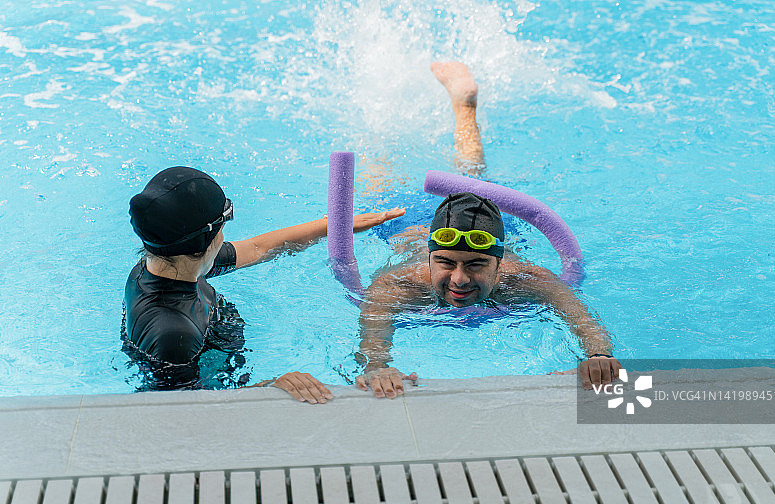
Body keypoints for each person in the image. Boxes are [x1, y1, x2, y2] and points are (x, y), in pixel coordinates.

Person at [354, 62, 621, 399]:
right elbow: (372, 347)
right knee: (378, 188)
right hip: (404, 220)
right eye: (447, 263)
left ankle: (465, 106)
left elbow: (584, 322)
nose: (460, 279)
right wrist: (378, 366)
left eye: (477, 264)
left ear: (499, 264)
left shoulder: (526, 278)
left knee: (474, 181)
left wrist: (597, 355)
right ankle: (380, 122)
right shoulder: (397, 285)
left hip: (494, 220)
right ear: (431, 256)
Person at [122, 166, 404, 402]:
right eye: (225, 224)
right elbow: (187, 412)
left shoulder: (168, 262)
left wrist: (335, 225)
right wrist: (271, 388)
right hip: (212, 376)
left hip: (211, 340)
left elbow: (258, 248)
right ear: (204, 243)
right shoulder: (172, 334)